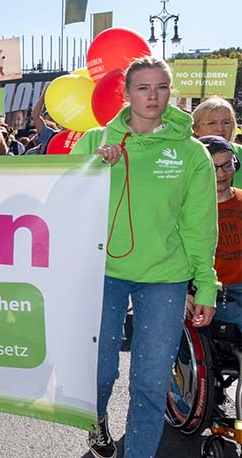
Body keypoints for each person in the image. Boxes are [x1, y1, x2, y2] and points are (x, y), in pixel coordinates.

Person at [71, 57, 217, 458]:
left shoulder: (191, 153)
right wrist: (92, 167)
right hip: (102, 272)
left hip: (165, 278)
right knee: (99, 374)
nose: (153, 96)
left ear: (171, 91)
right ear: (126, 94)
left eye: (162, 87)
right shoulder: (95, 141)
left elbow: (199, 226)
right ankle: (96, 420)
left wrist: (205, 284)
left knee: (151, 385)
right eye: (143, 88)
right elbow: (61, 196)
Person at [190, 136, 241, 333]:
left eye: (227, 165)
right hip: (210, 293)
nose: (221, 174)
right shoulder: (187, 209)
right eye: (213, 167)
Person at [192, 97, 242, 188]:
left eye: (226, 122)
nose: (220, 128)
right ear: (195, 128)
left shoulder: (240, 153)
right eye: (212, 123)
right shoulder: (185, 155)